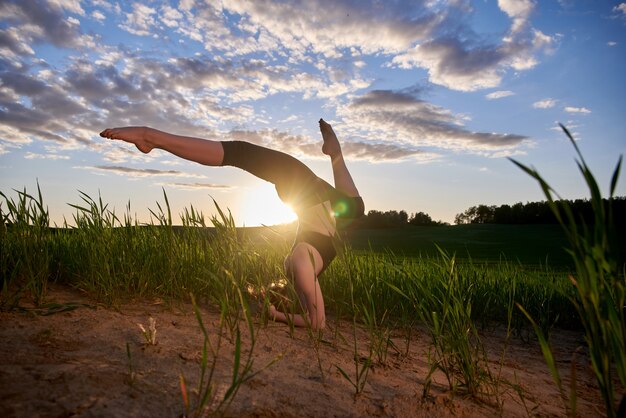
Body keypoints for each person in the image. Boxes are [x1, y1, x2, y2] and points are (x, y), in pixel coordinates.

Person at [99, 119, 364, 330]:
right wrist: (276, 315)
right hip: (323, 205)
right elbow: (317, 322)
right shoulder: (300, 264)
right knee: (241, 153)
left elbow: (315, 322)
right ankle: (335, 152)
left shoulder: (299, 265)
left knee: (241, 153)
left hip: (325, 208)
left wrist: (274, 315)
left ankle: (150, 136)